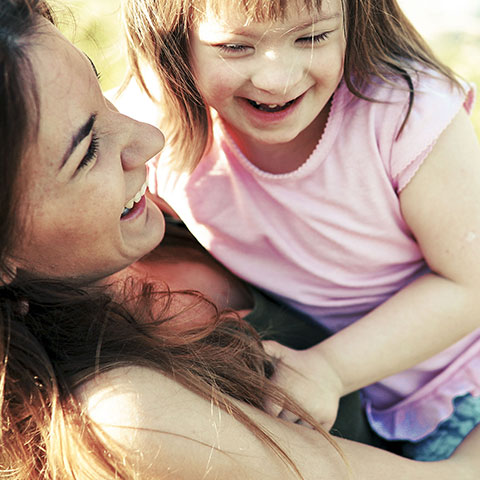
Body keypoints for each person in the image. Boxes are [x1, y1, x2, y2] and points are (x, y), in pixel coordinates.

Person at [2, 0, 480, 478]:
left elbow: (471, 282)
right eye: (234, 46)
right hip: (387, 405)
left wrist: (331, 367)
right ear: (174, 46)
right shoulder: (173, 118)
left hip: (457, 387)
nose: (278, 78)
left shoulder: (404, 114)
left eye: (312, 37)